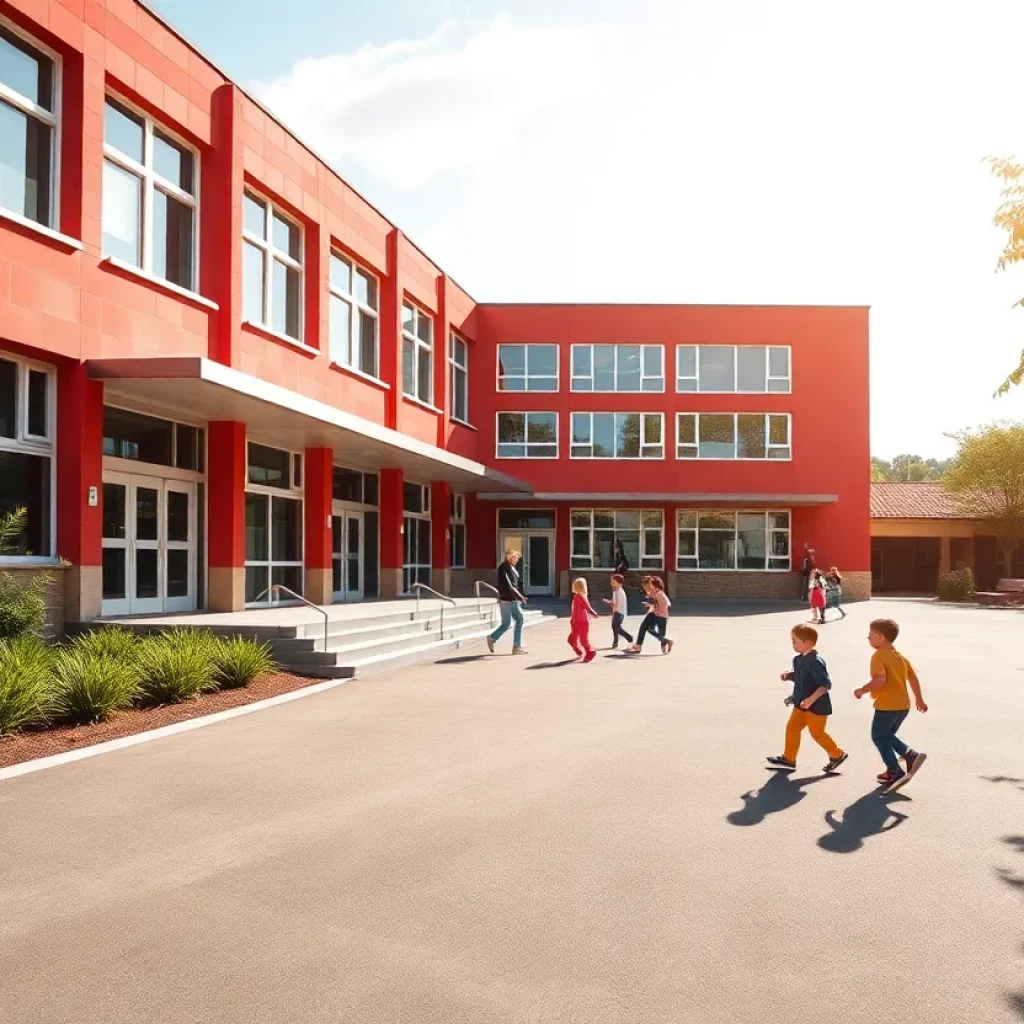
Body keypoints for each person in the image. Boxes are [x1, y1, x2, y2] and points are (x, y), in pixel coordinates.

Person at [854, 618, 928, 792]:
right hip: (903, 706)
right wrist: (919, 699)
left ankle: (907, 758)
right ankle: (891, 769)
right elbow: (912, 678)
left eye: (870, 634)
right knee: (887, 737)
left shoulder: (878, 656)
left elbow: (880, 679)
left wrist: (862, 690)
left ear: (880, 636)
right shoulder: (899, 656)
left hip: (888, 705)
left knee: (879, 736)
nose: (868, 637)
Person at [767, 624, 848, 773]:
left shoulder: (816, 661)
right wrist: (789, 675)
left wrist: (810, 700)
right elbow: (801, 677)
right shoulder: (798, 660)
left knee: (817, 733)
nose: (792, 643)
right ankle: (789, 758)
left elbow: (825, 685)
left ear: (807, 643)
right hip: (801, 704)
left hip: (816, 706)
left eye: (795, 641)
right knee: (792, 728)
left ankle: (837, 754)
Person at [486, 549, 528, 655]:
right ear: (508, 556)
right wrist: (520, 597)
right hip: (507, 599)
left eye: (518, 558)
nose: (516, 560)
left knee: (518, 620)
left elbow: (518, 583)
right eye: (515, 557)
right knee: (508, 623)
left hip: (514, 599)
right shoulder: (503, 568)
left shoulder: (512, 568)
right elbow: (509, 586)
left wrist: (522, 595)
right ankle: (494, 638)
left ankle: (516, 646)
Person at [626, 576, 674, 654]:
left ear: (652, 585)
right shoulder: (652, 593)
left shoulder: (659, 593)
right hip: (655, 613)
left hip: (661, 615)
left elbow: (666, 603)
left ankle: (665, 642)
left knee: (659, 632)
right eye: (645, 587)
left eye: (647, 587)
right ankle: (639, 646)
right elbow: (653, 603)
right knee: (645, 626)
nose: (646, 589)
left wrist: (652, 604)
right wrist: (650, 604)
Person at [568, 577, 599, 662]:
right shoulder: (577, 596)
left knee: (583, 640)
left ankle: (590, 652)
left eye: (577, 586)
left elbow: (587, 607)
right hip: (576, 622)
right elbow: (574, 610)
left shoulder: (580, 597)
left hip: (582, 622)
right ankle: (579, 649)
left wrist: (593, 613)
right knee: (572, 639)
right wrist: (572, 620)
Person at [603, 573, 634, 649]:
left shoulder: (619, 592)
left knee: (616, 627)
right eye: (611, 582)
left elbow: (617, 604)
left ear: (619, 583)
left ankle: (629, 637)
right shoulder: (615, 591)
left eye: (613, 582)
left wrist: (611, 604)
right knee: (615, 627)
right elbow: (614, 601)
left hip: (619, 613)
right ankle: (615, 642)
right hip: (616, 612)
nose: (611, 583)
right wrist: (610, 601)